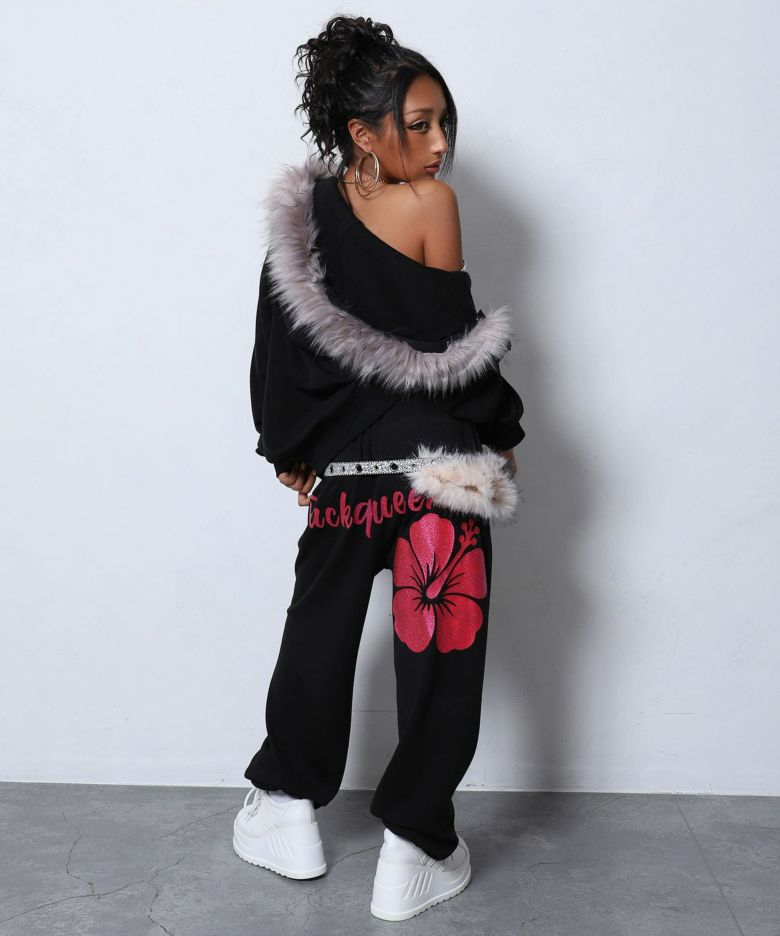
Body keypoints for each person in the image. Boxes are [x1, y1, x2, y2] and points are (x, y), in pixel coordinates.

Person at [232, 14, 526, 922]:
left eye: (445, 124)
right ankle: (414, 847)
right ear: (363, 131)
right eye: (420, 124)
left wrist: (290, 451)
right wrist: (502, 430)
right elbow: (450, 346)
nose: (438, 147)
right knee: (440, 644)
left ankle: (287, 810)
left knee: (319, 630)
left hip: (347, 478)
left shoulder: (301, 220)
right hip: (441, 471)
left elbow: (278, 350)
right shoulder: (431, 207)